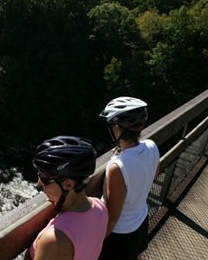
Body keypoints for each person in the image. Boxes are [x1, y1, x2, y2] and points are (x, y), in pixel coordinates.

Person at [24, 135, 109, 260]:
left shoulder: (54, 240)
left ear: (68, 184)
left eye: (44, 178)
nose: (39, 183)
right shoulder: (100, 208)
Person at [98, 97, 160, 260]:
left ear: (117, 129)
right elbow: (152, 174)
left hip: (120, 235)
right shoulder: (151, 146)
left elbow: (112, 217)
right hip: (140, 222)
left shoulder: (117, 167)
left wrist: (95, 242)